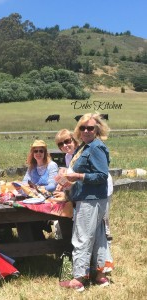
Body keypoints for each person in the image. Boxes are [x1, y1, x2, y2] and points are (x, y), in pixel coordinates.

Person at [54, 113, 114, 292]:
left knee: (82, 237)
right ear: (78, 129)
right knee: (98, 237)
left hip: (90, 199)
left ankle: (79, 277)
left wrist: (77, 176)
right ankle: (101, 275)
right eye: (83, 128)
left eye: (90, 128)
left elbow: (102, 175)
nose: (86, 131)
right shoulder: (86, 147)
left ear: (98, 129)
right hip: (92, 198)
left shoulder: (95, 147)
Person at [55, 129, 114, 240]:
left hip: (101, 186)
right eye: (60, 144)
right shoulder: (68, 156)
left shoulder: (83, 151)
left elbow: (84, 174)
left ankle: (106, 244)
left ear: (74, 140)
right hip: (85, 189)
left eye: (67, 141)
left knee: (102, 219)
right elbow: (72, 174)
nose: (65, 145)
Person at [18, 140, 59, 241]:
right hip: (34, 199)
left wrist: (38, 188)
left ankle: (38, 239)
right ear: (32, 153)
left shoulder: (52, 165)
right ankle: (35, 240)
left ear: (45, 153)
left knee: (28, 215)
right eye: (35, 151)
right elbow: (24, 183)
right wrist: (21, 186)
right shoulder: (32, 167)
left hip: (49, 199)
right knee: (22, 215)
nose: (38, 153)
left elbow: (52, 186)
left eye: (41, 151)